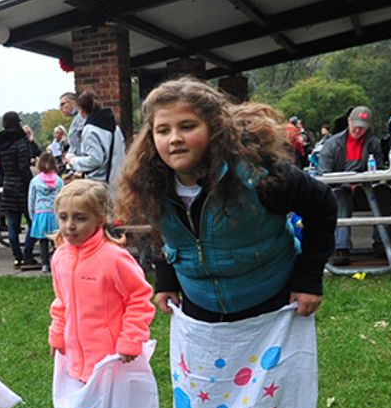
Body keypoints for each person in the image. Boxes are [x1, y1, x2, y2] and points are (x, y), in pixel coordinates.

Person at [117, 78, 337, 323]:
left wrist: (308, 278)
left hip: (273, 304)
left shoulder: (258, 174)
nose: (175, 138)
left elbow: (322, 205)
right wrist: (166, 279)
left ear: (215, 129)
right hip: (200, 307)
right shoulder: (149, 183)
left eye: (188, 126)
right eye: (163, 130)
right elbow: (165, 233)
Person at [49, 179, 155, 375]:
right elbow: (62, 301)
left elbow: (139, 297)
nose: (70, 226)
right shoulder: (60, 257)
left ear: (99, 219)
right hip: (75, 359)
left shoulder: (113, 258)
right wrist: (57, 333)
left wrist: (131, 338)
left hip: (113, 360)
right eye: (63, 217)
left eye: (80, 218)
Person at [317, 105, 391, 265]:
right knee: (341, 196)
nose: (358, 131)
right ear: (349, 121)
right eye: (356, 126)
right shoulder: (332, 144)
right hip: (340, 189)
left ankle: (382, 242)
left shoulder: (372, 142)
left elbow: (378, 169)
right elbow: (324, 174)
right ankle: (342, 247)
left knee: (384, 192)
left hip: (364, 190)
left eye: (362, 128)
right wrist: (347, 183)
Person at [0, 111, 38, 269]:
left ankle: (17, 257)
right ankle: (28, 254)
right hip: (22, 185)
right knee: (32, 221)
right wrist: (30, 183)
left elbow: (2, 168)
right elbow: (23, 166)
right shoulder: (21, 141)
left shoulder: (1, 144)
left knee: (13, 223)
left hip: (8, 185)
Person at [68, 90, 126, 184]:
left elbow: (95, 160)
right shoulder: (115, 127)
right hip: (118, 180)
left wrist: (73, 161)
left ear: (82, 110)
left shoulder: (90, 130)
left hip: (100, 186)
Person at [28, 152, 64, 273]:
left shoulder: (35, 181)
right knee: (56, 240)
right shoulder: (58, 181)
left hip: (40, 213)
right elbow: (62, 197)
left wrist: (32, 215)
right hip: (54, 214)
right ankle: (57, 262)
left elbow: (31, 199)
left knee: (43, 241)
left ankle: (45, 264)